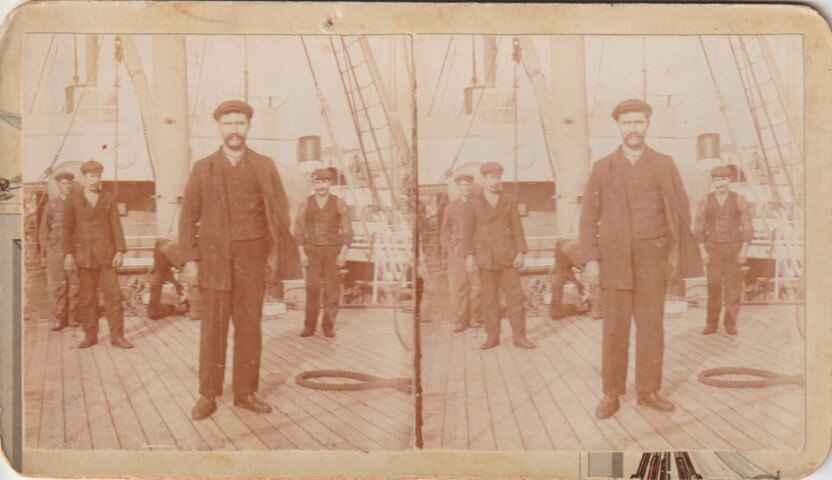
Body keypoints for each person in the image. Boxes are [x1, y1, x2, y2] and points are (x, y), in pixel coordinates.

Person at [179, 100, 302, 421]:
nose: (234, 130)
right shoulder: (203, 168)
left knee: (249, 329)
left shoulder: (264, 165)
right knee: (213, 331)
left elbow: (279, 214)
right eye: (228, 124)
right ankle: (208, 394)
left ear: (248, 126)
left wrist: (272, 258)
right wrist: (190, 260)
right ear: (219, 127)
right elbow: (188, 217)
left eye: (240, 124)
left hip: (252, 264)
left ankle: (245, 392)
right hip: (214, 263)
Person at [579, 98, 702, 419]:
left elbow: (680, 209)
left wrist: (671, 254)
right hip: (615, 259)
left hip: (652, 260)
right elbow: (588, 217)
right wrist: (591, 259)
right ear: (618, 126)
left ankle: (648, 390)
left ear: (648, 123)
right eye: (627, 122)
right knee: (614, 329)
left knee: (651, 326)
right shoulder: (603, 167)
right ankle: (611, 393)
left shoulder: (664, 163)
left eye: (639, 122)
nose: (633, 129)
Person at [462, 162, 536, 350]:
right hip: (485, 257)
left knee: (515, 298)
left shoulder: (509, 199)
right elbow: (467, 231)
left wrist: (520, 252)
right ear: (483, 179)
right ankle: (492, 336)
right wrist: (469, 255)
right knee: (488, 299)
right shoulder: (473, 201)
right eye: (491, 177)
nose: (495, 181)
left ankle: (519, 336)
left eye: (498, 177)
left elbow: (516, 226)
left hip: (508, 257)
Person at [62, 160, 134, 349]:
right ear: (84, 178)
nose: (95, 180)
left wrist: (119, 251)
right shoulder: (73, 200)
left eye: (98, 175)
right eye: (91, 176)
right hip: (84, 257)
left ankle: (117, 337)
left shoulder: (109, 198)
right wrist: (68, 254)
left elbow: (115, 226)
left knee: (114, 297)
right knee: (86, 298)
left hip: (106, 257)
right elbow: (67, 229)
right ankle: (90, 335)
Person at [292, 168, 353, 338]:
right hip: (312, 252)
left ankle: (328, 326)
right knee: (312, 289)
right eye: (318, 182)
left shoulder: (339, 203)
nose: (321, 186)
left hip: (333, 252)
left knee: (332, 291)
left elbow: (347, 230)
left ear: (330, 183)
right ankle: (309, 326)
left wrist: (343, 253)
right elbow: (298, 231)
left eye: (324, 182)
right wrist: (302, 254)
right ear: (313, 184)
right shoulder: (305, 203)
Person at [693, 165, 754, 335]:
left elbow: (747, 226)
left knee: (734, 287)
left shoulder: (739, 200)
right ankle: (711, 323)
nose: (721, 183)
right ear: (712, 181)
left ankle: (730, 323)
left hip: (734, 248)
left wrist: (744, 249)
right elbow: (698, 228)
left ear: (730, 181)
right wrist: (703, 251)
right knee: (714, 286)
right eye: (718, 179)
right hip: (713, 249)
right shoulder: (705, 200)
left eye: (725, 179)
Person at [439, 173, 482, 332]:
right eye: (463, 185)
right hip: (457, 251)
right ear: (458, 187)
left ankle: (474, 318)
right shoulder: (451, 207)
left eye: (469, 185)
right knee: (459, 286)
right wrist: (448, 248)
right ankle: (460, 320)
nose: (466, 188)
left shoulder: (478, 204)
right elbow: (444, 230)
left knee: (476, 286)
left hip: (475, 251)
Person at [39, 171, 79, 331]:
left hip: (74, 248)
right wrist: (44, 251)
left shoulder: (77, 203)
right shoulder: (51, 204)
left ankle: (73, 317)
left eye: (69, 183)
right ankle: (57, 318)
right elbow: (44, 229)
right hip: (55, 248)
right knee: (58, 284)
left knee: (75, 284)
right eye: (63, 183)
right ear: (58, 185)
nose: (67, 187)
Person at [147, 237, 201, 321]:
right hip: (173, 243)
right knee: (192, 275)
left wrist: (176, 283)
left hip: (160, 244)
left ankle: (153, 312)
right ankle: (195, 312)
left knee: (157, 281)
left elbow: (165, 272)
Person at [549, 237, 603, 320]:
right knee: (594, 276)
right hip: (573, 247)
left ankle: (555, 311)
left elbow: (565, 271)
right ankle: (597, 310)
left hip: (561, 245)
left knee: (558, 279)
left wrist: (577, 283)